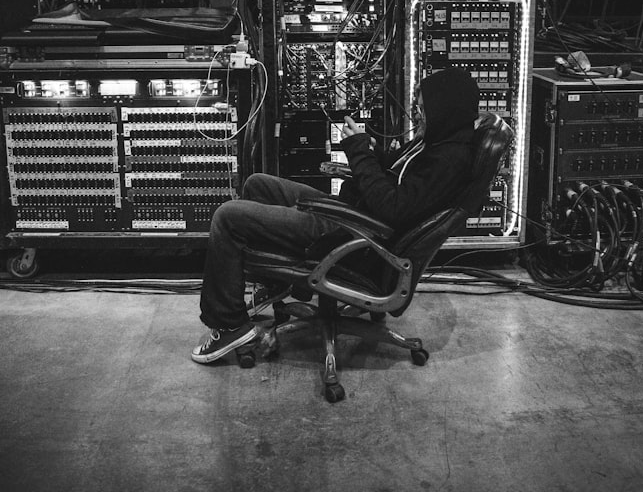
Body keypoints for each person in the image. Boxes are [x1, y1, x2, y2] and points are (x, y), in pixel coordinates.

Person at [191, 67, 482, 364]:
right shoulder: (438, 143)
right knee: (258, 184)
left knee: (227, 217)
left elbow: (392, 207)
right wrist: (373, 153)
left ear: (445, 108)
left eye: (422, 109)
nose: (416, 115)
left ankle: (228, 325)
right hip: (353, 217)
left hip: (351, 233)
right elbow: (397, 183)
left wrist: (357, 152)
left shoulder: (447, 160)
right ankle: (276, 284)